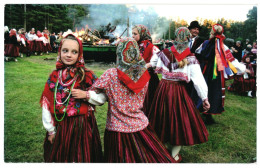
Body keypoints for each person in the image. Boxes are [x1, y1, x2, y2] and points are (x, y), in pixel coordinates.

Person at [87, 37, 178, 163]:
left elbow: (94, 90)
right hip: (140, 125)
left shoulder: (111, 74)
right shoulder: (143, 74)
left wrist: (87, 94)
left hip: (117, 129)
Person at [147, 27, 210, 160]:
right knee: (179, 122)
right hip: (178, 91)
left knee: (161, 119)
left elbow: (151, 64)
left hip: (162, 89)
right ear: (188, 39)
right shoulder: (190, 58)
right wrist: (204, 98)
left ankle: (162, 150)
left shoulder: (163, 53)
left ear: (175, 38)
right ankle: (174, 155)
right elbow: (198, 80)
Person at [40, 34, 103, 162]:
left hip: (82, 125)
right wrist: (51, 130)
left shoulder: (87, 75)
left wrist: (86, 95)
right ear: (59, 51)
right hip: (61, 125)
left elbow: (102, 97)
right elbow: (47, 103)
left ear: (79, 54)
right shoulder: (54, 76)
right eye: (65, 51)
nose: (69, 55)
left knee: (82, 155)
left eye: (74, 52)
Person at [195, 24, 246, 124]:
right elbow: (231, 60)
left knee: (202, 89)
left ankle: (199, 111)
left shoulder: (205, 43)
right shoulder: (223, 46)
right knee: (213, 91)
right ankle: (208, 115)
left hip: (204, 70)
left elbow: (198, 52)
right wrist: (242, 69)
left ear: (212, 33)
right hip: (215, 73)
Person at [132, 24, 160, 116]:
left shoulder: (152, 47)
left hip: (148, 79)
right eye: (132, 34)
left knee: (148, 102)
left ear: (142, 34)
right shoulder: (134, 46)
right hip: (136, 77)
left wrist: (146, 65)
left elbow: (156, 61)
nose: (133, 36)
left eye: (135, 34)